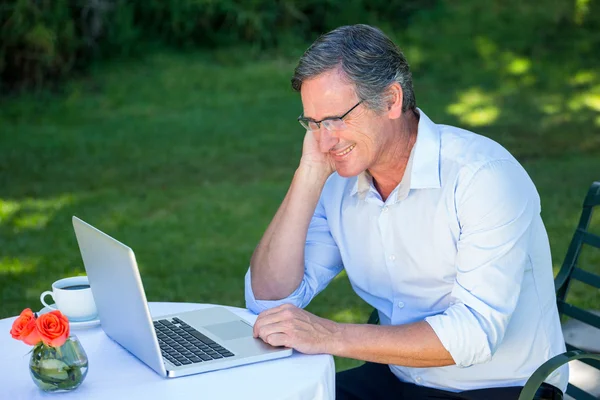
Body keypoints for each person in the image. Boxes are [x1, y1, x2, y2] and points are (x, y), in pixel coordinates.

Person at [244, 24, 568, 399]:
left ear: (391, 101)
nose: (325, 140)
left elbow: (475, 335)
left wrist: (330, 335)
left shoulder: (482, 176)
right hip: (400, 379)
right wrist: (307, 177)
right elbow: (267, 299)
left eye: (335, 119)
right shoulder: (337, 183)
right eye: (313, 124)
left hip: (502, 388)